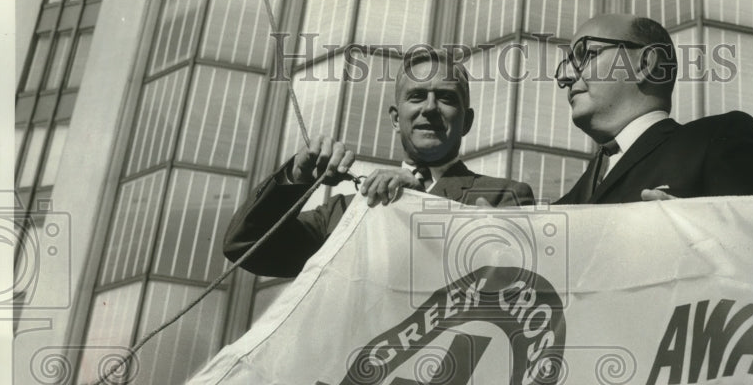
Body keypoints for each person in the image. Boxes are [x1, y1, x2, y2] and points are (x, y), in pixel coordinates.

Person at [223, 48, 535, 277]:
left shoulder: (508, 196)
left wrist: (417, 200)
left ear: (466, 121)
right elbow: (246, 246)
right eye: (416, 97)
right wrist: (296, 174)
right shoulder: (342, 214)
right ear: (396, 119)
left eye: (445, 97)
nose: (429, 108)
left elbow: (515, 279)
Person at [552, 13, 753, 204]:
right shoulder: (576, 195)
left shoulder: (721, 138)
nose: (566, 76)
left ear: (644, 64)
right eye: (568, 64)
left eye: (586, 55)